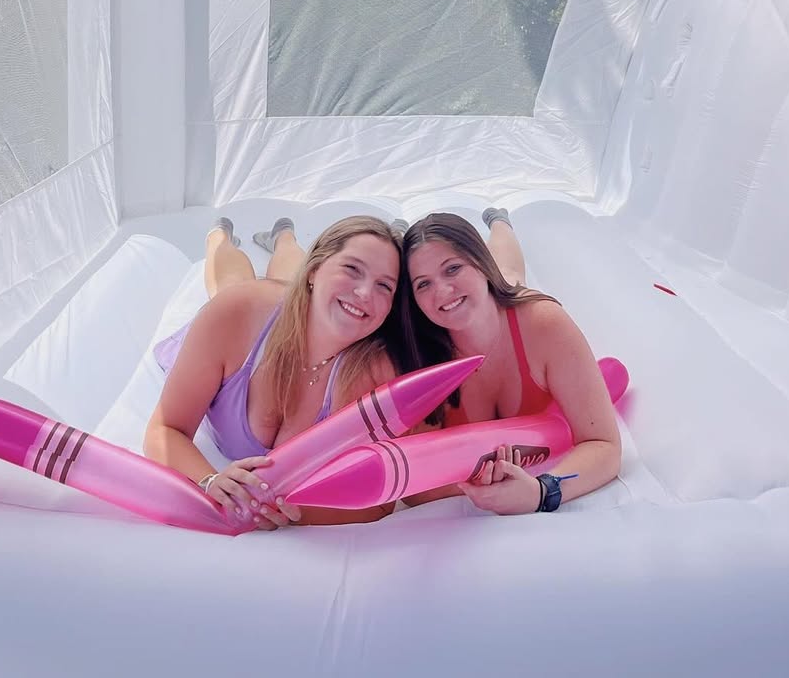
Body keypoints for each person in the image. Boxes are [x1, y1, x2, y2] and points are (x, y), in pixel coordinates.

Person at [145, 214, 404, 531]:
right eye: (352, 269)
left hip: (300, 303)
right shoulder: (237, 315)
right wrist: (210, 480)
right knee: (231, 285)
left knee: (293, 285)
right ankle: (222, 238)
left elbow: (378, 499)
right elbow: (164, 430)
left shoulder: (376, 375)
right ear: (314, 269)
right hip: (255, 314)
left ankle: (283, 235)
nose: (364, 292)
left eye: (384, 285)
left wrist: (291, 510)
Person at [399, 209, 621, 516]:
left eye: (453, 269)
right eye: (423, 284)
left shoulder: (544, 324)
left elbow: (605, 445)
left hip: (507, 305)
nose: (442, 291)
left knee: (509, 273)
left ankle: (500, 221)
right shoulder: (418, 355)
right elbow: (414, 483)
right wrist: (477, 482)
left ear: (480, 262)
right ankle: (399, 234)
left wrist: (542, 491)